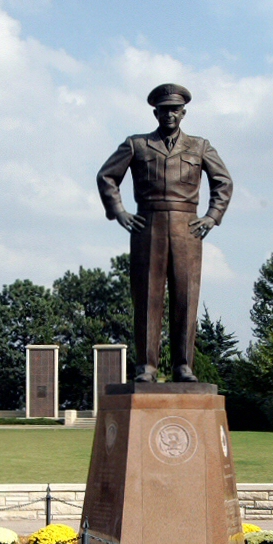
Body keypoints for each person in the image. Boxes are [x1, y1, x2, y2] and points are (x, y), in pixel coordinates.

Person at [96, 83, 233, 383]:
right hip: (148, 225)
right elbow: (107, 177)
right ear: (155, 112)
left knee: (186, 296)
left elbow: (223, 182)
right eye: (163, 109)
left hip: (187, 227)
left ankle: (183, 365)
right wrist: (118, 211)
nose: (169, 114)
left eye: (175, 109)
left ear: (183, 112)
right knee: (147, 297)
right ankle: (147, 366)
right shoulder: (137, 145)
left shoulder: (200, 146)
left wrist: (212, 216)